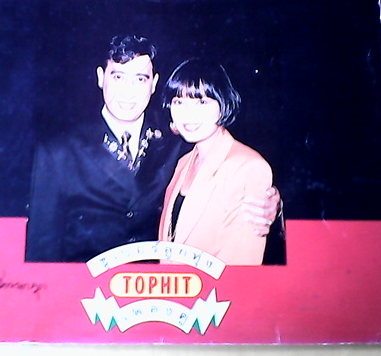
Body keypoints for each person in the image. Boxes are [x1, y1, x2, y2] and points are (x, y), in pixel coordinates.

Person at [25, 35, 281, 263]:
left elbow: (229, 173)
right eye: (118, 77)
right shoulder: (58, 152)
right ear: (101, 78)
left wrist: (271, 202)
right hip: (88, 292)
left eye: (140, 78)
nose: (128, 92)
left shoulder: (179, 141)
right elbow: (42, 245)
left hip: (159, 289)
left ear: (154, 84)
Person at [159, 58, 274, 265]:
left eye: (201, 102)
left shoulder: (249, 167)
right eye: (178, 102)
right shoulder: (183, 163)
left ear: (223, 105)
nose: (188, 113)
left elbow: (244, 265)